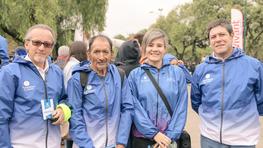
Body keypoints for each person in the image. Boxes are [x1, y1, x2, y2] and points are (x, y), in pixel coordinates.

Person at [191, 19, 263, 148]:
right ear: (210, 41)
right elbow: (196, 102)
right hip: (210, 139)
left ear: (231, 36)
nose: (218, 39)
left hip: (243, 140)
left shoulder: (254, 66)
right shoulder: (200, 70)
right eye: (213, 37)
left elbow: (261, 100)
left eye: (222, 34)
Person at [0, 24, 71, 148]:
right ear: (27, 44)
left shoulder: (57, 72)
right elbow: (1, 116)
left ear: (52, 48)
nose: (42, 47)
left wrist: (62, 110)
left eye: (47, 44)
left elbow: (65, 100)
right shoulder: (10, 72)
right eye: (36, 43)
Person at [68, 34, 134, 148]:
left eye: (105, 52)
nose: (101, 57)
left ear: (112, 54)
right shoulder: (79, 78)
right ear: (88, 54)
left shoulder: (120, 75)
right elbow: (75, 116)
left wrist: (121, 142)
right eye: (96, 52)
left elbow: (127, 108)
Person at [128, 29, 188, 148]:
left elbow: (181, 107)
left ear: (165, 49)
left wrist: (169, 136)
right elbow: (134, 107)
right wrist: (154, 134)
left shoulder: (177, 73)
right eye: (150, 45)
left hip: (169, 140)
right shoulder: (135, 75)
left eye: (159, 45)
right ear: (144, 48)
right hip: (142, 139)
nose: (155, 49)